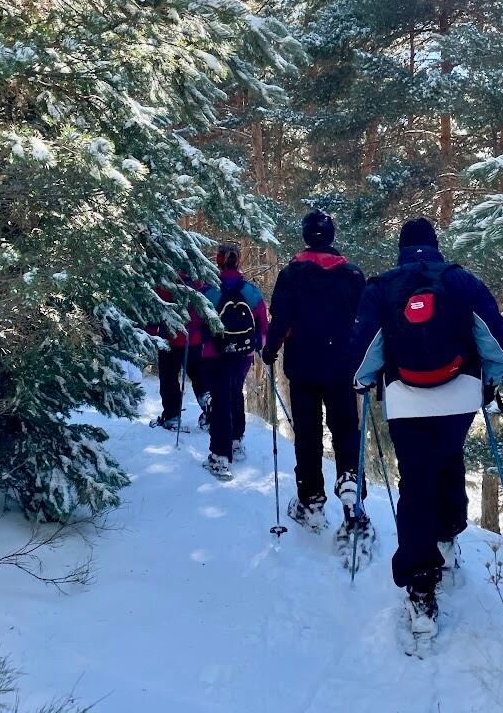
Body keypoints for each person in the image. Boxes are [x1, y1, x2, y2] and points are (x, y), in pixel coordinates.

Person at [350, 217, 503, 642]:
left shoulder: (382, 287)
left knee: (416, 480)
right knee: (449, 458)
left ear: (401, 249)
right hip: (459, 394)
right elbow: (494, 338)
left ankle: (421, 588)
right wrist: (491, 381)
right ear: (435, 246)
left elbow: (366, 348)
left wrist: (362, 380)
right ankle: (446, 537)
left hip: (406, 397)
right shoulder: (460, 280)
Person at [262, 211, 368, 546]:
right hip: (341, 368)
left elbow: (281, 319)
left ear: (307, 236)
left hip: (304, 368)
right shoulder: (352, 275)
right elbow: (363, 322)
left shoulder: (292, 274)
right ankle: (351, 487)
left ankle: (311, 501)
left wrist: (270, 350)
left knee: (307, 434)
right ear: (331, 236)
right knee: (345, 430)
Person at [200, 242, 267, 481]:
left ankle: (220, 456)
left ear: (218, 261)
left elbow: (197, 322)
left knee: (220, 400)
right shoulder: (251, 291)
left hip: (215, 353)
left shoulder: (209, 291)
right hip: (243, 354)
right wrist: (258, 345)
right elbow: (262, 324)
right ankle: (236, 442)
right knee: (235, 392)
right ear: (238, 261)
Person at [148, 279, 211, 431]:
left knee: (169, 377)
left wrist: (150, 333)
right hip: (194, 340)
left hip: (169, 340)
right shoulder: (199, 282)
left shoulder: (163, 283)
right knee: (200, 377)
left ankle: (172, 417)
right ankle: (211, 412)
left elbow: (155, 311)